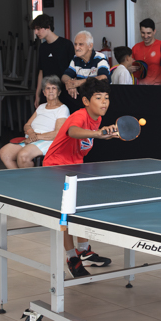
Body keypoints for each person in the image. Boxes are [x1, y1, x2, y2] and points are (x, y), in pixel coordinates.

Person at [43, 80, 118, 276]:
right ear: (85, 101)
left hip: (75, 168)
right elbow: (73, 131)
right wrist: (97, 134)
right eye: (98, 98)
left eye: (106, 98)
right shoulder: (80, 115)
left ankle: (84, 252)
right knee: (66, 215)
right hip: (56, 167)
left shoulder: (97, 119)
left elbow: (90, 137)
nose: (104, 102)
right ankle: (72, 257)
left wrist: (104, 133)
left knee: (81, 210)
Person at [0, 76, 70, 168]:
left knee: (23, 156)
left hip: (48, 141)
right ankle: (20, 176)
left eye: (54, 88)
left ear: (59, 92)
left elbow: (57, 133)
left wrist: (35, 137)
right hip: (32, 138)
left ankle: (30, 177)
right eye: (48, 88)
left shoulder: (62, 109)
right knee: (5, 153)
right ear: (44, 92)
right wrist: (31, 133)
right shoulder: (41, 107)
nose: (51, 91)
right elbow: (27, 125)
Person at [31, 14, 75, 108]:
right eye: (35, 29)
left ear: (48, 27)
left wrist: (73, 86)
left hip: (65, 91)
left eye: (38, 29)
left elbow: (74, 69)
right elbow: (41, 71)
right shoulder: (42, 47)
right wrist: (37, 94)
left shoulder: (66, 44)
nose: (36, 32)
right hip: (48, 92)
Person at [63, 30, 110, 100]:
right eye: (75, 44)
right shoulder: (75, 59)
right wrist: (70, 84)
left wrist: (79, 82)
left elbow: (103, 77)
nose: (76, 48)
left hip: (100, 100)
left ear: (90, 46)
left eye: (81, 44)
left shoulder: (100, 57)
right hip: (84, 99)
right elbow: (65, 76)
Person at [131, 18, 161, 85]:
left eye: (148, 33)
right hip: (139, 88)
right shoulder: (135, 47)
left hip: (157, 88)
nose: (145, 36)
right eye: (143, 33)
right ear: (140, 31)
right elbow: (128, 66)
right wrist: (130, 69)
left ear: (154, 31)